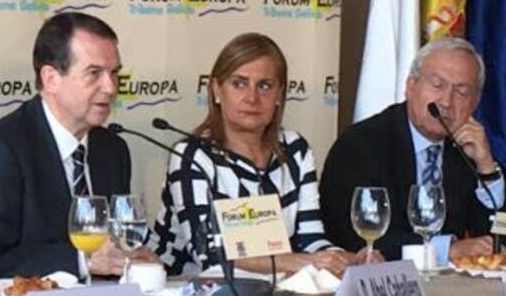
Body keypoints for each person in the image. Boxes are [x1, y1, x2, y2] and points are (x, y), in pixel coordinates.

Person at [0, 12, 159, 277]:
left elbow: (117, 245)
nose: (110, 87)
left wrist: (132, 257)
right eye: (94, 73)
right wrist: (82, 260)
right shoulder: (0, 151)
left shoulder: (112, 149)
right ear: (51, 78)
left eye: (114, 73)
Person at [153, 33, 362, 277]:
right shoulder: (192, 156)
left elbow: (311, 240)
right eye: (239, 84)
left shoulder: (294, 149)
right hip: (192, 292)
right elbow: (210, 256)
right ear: (216, 90)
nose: (252, 98)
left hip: (276, 290)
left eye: (264, 86)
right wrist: (308, 262)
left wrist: (345, 259)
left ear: (279, 95)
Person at [320, 37, 506, 263]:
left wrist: (487, 168)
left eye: (461, 91)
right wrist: (445, 250)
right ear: (410, 86)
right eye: (437, 85)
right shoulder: (362, 145)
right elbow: (360, 236)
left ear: (475, 102)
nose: (446, 102)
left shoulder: (466, 149)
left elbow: (504, 237)